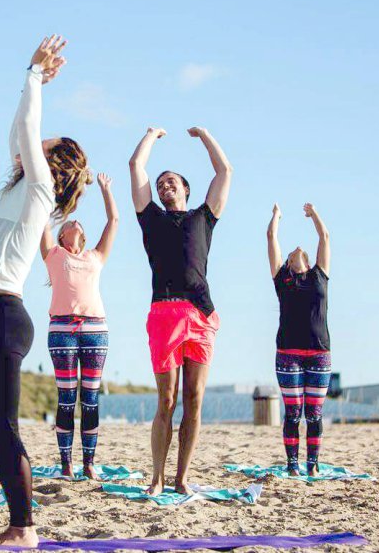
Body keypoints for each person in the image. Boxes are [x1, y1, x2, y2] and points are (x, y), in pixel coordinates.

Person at [0, 35, 89, 547]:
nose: (35, 146)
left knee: (2, 426)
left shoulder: (39, 190)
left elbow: (27, 128)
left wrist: (34, 76)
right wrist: (29, 84)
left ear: (56, 163)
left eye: (47, 146)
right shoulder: (17, 190)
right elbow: (20, 130)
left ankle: (24, 529)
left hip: (1, 314)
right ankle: (20, 525)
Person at [128, 125, 232, 496]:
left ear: (186, 188)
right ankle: (157, 476)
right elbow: (135, 165)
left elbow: (224, 172)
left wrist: (205, 136)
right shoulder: (151, 218)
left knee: (194, 399)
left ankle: (181, 477)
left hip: (200, 314)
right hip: (164, 313)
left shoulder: (203, 217)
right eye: (160, 185)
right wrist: (152, 136)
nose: (164, 186)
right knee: (167, 400)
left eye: (171, 181)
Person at [40, 172, 119, 479]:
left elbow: (113, 221)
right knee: (66, 397)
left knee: (91, 397)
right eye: (71, 221)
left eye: (80, 224)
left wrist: (104, 188)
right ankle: (65, 463)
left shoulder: (95, 256)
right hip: (61, 330)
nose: (76, 221)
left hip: (96, 330)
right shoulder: (53, 254)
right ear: (62, 235)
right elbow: (42, 217)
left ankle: (88, 463)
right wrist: (56, 187)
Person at [267, 202, 331, 476]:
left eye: (300, 249)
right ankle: (293, 467)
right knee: (293, 413)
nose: (297, 247)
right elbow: (271, 239)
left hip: (319, 353)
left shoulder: (319, 275)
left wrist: (314, 214)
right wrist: (276, 217)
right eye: (291, 251)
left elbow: (325, 238)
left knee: (314, 414)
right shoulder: (282, 278)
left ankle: (312, 466)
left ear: (306, 259)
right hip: (288, 354)